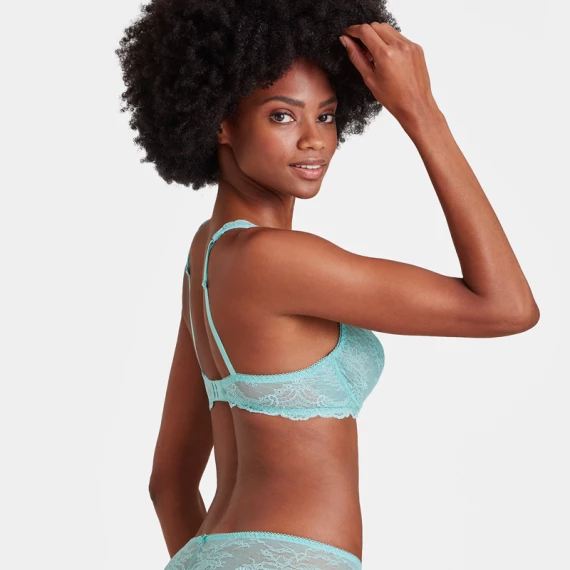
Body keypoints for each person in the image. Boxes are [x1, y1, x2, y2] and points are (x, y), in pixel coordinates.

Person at [116, 1, 540, 568]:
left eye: (327, 115)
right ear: (220, 121)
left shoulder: (208, 255)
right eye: (282, 116)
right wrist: (420, 111)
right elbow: (506, 307)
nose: (314, 140)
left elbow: (168, 484)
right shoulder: (274, 259)